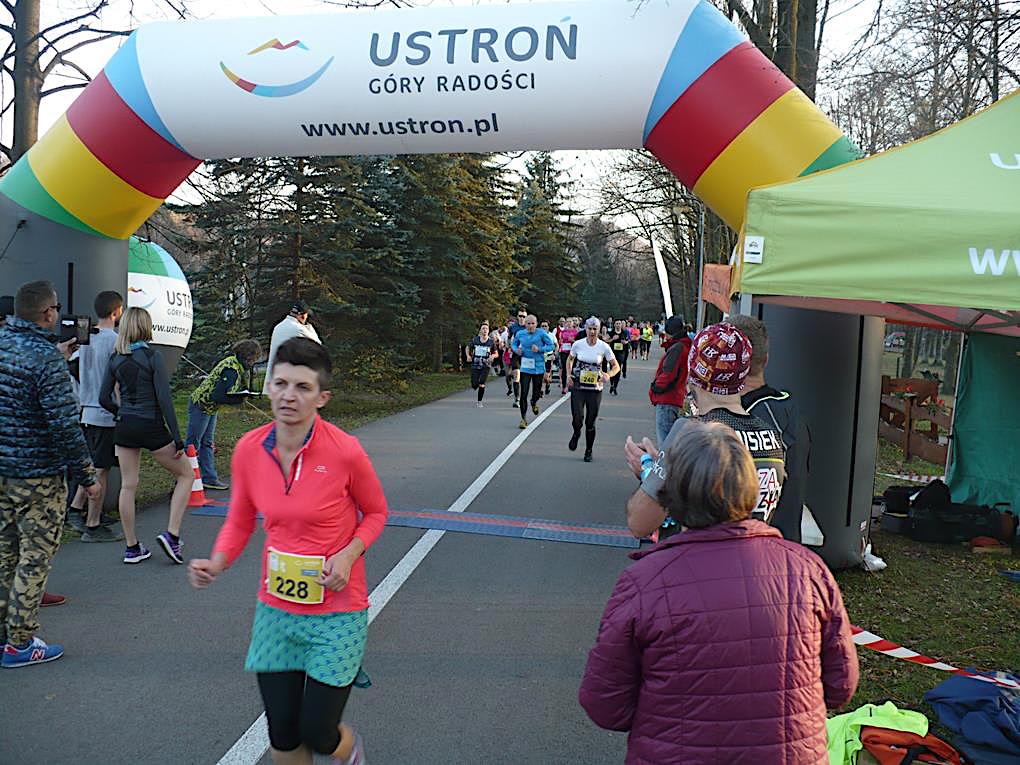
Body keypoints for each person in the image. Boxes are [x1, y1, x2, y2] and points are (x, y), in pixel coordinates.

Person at [580, 420, 858, 764]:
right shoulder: (809, 571)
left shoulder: (646, 582)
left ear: (674, 494)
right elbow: (840, 686)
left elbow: (605, 705)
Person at [189, 338, 386, 765]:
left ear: (322, 397)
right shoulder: (249, 449)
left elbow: (376, 513)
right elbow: (240, 520)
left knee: (318, 732)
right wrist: (217, 562)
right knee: (282, 733)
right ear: (268, 387)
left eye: (302, 387)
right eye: (280, 384)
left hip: (337, 612)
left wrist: (349, 555)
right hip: (276, 612)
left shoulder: (344, 451)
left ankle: (350, 753)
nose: (288, 396)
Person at [0, 281, 100, 667]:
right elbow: (63, 426)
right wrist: (87, 475)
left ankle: (3, 634)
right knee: (34, 556)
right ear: (47, 313)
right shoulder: (45, 359)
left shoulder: (5, 343)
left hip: (4, 470)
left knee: (5, 554)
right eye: (56, 308)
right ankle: (21, 643)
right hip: (37, 475)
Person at [624, 322, 786, 541]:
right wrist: (666, 464)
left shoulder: (692, 432)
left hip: (698, 558)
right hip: (754, 555)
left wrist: (647, 469)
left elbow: (639, 523)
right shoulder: (772, 437)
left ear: (693, 370)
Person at [100, 307, 193, 565]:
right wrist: (177, 437)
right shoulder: (153, 356)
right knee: (186, 475)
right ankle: (172, 535)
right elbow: (164, 400)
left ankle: (132, 547)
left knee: (128, 485)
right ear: (145, 326)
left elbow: (103, 398)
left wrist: (121, 413)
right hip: (151, 425)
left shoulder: (115, 358)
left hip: (125, 426)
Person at [729, 314, 811, 543]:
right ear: (765, 360)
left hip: (740, 550)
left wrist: (653, 469)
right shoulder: (793, 413)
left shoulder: (728, 419)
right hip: (784, 548)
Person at [66, 290, 125, 543]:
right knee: (100, 470)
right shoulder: (115, 341)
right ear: (116, 312)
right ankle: (92, 524)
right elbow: (117, 381)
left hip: (86, 410)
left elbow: (73, 366)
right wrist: (122, 408)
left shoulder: (85, 339)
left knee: (93, 465)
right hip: (105, 413)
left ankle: (77, 509)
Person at [186, 339, 263, 491]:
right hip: (201, 405)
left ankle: (209, 478)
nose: (253, 363)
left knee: (207, 443)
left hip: (211, 408)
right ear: (247, 356)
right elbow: (218, 395)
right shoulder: (231, 370)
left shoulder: (236, 365)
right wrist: (238, 399)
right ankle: (184, 478)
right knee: (193, 444)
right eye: (253, 359)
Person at [566, 317, 621, 462]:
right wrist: (568, 375)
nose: (592, 332)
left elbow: (616, 366)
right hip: (578, 386)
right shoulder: (578, 344)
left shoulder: (604, 347)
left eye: (595, 329)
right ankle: (576, 432)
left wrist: (608, 375)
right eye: (589, 329)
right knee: (577, 418)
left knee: (590, 422)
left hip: (595, 388)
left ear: (599, 330)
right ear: (585, 329)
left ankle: (588, 450)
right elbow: (570, 359)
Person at [648, 315, 693, 446]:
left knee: (665, 444)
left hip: (667, 399)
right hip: (676, 398)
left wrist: (655, 388)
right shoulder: (685, 346)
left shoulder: (677, 348)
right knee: (672, 443)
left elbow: (668, 374)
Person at [263, 301, 321, 395]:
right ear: (302, 315)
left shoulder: (278, 326)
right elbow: (317, 345)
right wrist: (309, 327)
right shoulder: (299, 329)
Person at [510, 314, 555, 429]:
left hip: (538, 367)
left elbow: (551, 346)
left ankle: (534, 402)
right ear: (525, 324)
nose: (530, 326)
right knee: (523, 392)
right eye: (528, 323)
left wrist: (540, 349)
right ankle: (523, 419)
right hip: (525, 367)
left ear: (536, 324)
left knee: (537, 392)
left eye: (533, 324)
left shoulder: (541, 333)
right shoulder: (520, 333)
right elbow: (513, 344)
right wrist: (517, 350)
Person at [465, 321, 498, 407]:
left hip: (486, 365)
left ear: (488, 331)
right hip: (475, 364)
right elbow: (468, 347)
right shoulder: (475, 340)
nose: (485, 330)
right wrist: (468, 356)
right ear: (480, 330)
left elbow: (496, 353)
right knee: (474, 384)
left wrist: (493, 356)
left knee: (482, 383)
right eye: (483, 328)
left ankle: (479, 401)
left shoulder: (491, 342)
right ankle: (475, 385)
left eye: (486, 329)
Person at [504, 308, 527, 406]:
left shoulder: (529, 327)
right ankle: (517, 399)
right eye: (520, 316)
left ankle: (524, 397)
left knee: (524, 378)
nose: (522, 318)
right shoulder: (513, 327)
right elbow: (509, 338)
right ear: (517, 317)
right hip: (515, 354)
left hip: (526, 355)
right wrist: (509, 347)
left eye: (524, 316)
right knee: (516, 375)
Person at [557, 317, 579, 394]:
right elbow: (560, 341)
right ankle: (564, 386)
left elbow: (578, 343)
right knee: (564, 369)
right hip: (564, 352)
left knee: (572, 368)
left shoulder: (576, 332)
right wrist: (561, 342)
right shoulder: (562, 332)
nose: (569, 323)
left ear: (573, 323)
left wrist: (572, 340)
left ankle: (571, 385)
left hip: (572, 353)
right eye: (567, 322)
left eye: (570, 322)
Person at [607, 320, 629, 395]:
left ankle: (615, 387)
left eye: (619, 323)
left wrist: (625, 342)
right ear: (614, 325)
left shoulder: (624, 332)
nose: (618, 325)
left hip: (621, 353)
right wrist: (613, 339)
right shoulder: (611, 332)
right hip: (612, 354)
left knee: (618, 370)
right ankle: (612, 384)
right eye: (617, 323)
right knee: (612, 369)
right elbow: (606, 340)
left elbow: (627, 340)